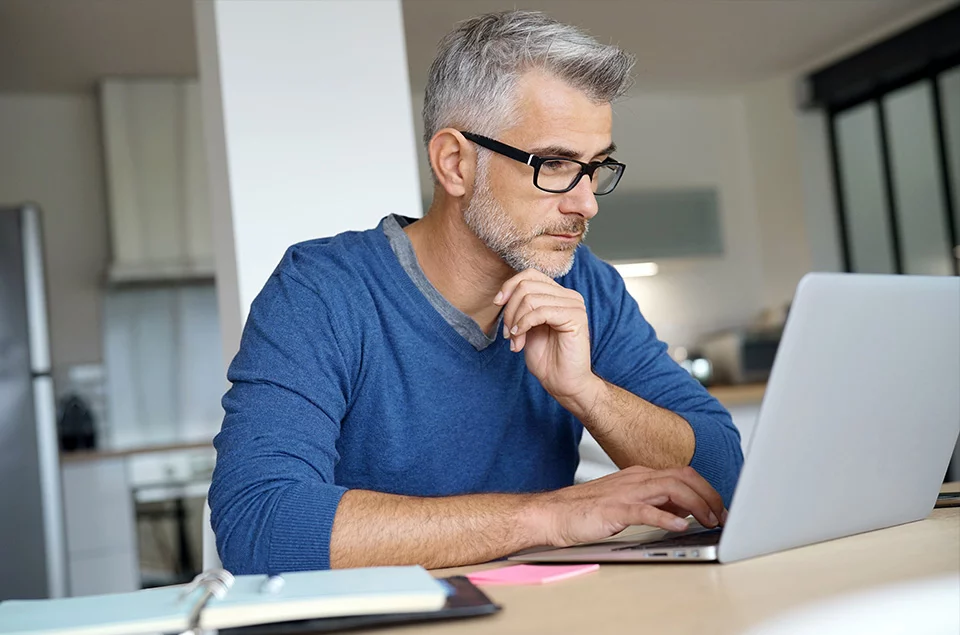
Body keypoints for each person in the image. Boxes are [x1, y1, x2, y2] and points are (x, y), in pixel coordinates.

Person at [210, 10, 743, 574]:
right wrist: (544, 517)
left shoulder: (588, 285)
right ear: (455, 163)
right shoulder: (321, 292)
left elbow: (722, 478)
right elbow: (260, 524)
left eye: (597, 167)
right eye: (556, 164)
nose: (586, 203)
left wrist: (587, 392)